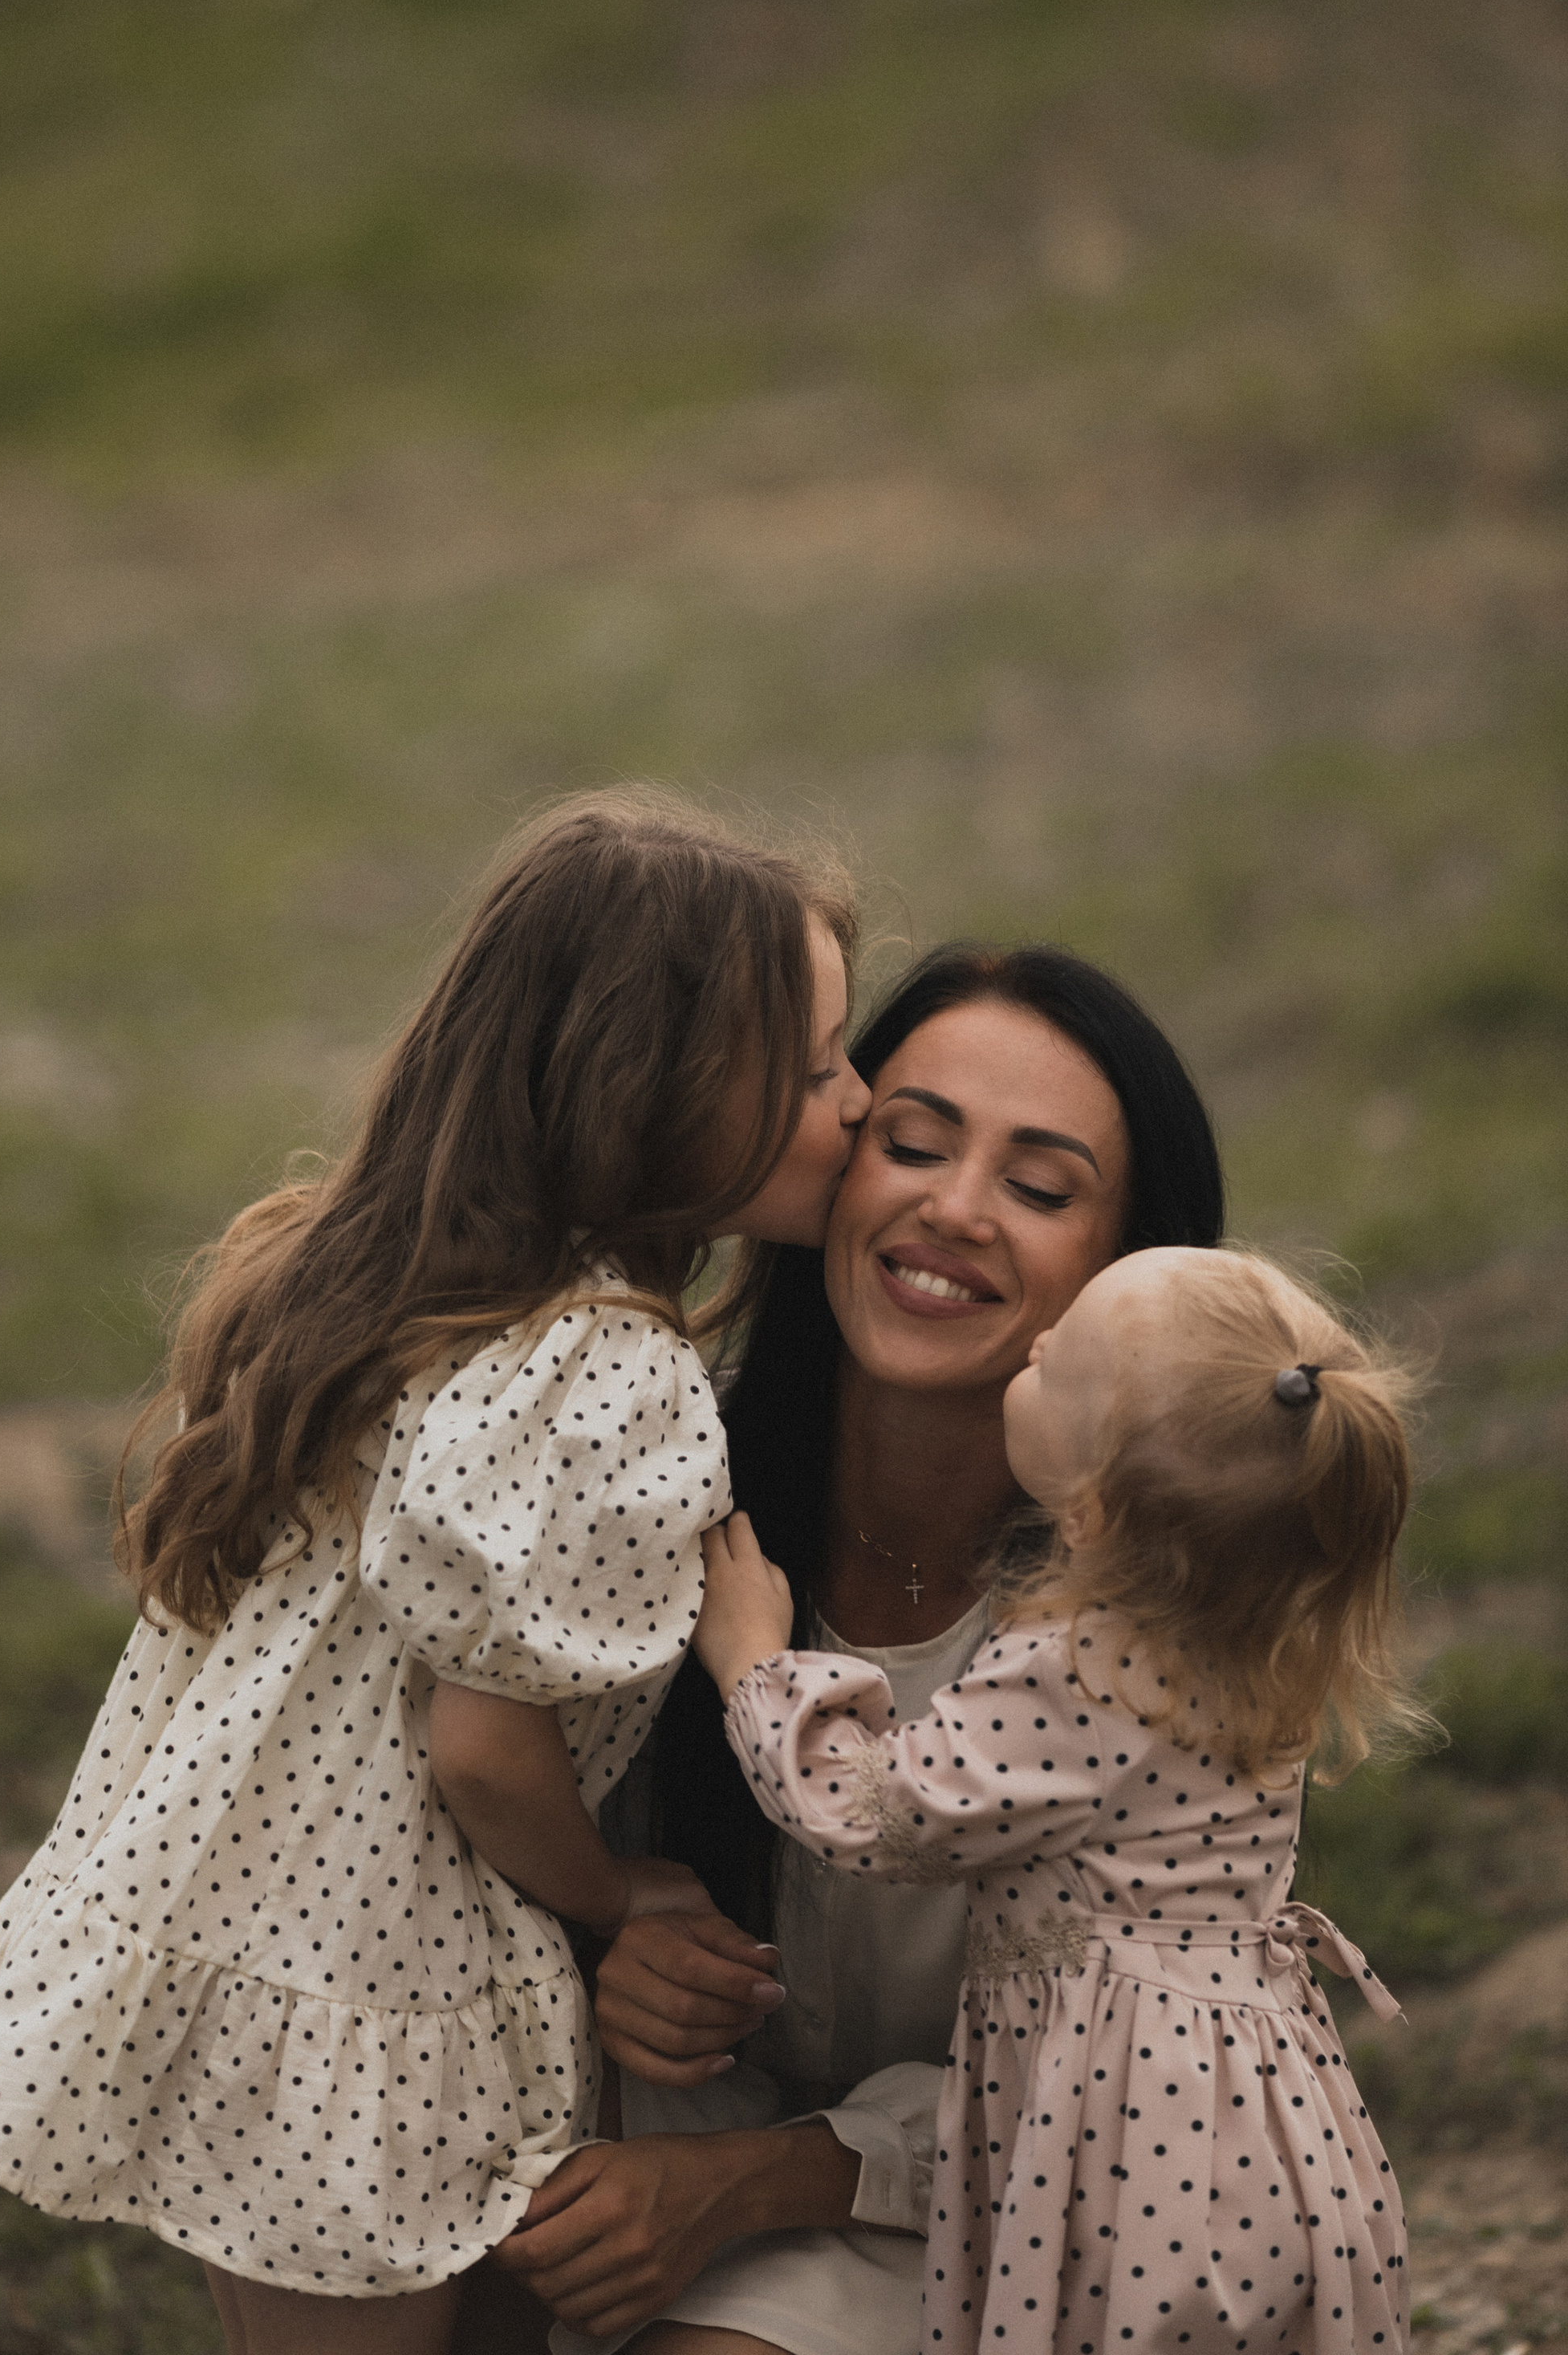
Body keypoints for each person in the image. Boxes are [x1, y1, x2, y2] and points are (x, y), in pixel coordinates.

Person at [0, 789, 872, 2354]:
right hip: (373, 2002)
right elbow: (485, 1750)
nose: (851, 1100)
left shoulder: (393, 1291)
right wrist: (612, 1894)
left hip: (249, 1958)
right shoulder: (612, 1380)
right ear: (654, 1083)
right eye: (813, 1065)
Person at [502, 943, 1228, 2355]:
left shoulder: (1159, 1626)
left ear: (1133, 1279)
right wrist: (605, 1941)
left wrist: (759, 2183)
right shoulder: (646, 1482)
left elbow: (1145, 2082)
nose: (953, 1211)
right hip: (638, 2149)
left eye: (1038, 1186)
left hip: (1016, 2225)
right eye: (911, 1143)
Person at [696, 1243, 1419, 2353]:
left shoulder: (1080, 1669)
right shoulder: (1253, 1643)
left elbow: (886, 1813)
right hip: (1253, 2104)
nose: (1034, 1347)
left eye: (1058, 1362)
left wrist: (755, 1664)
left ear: (1088, 1512)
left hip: (1131, 2124)